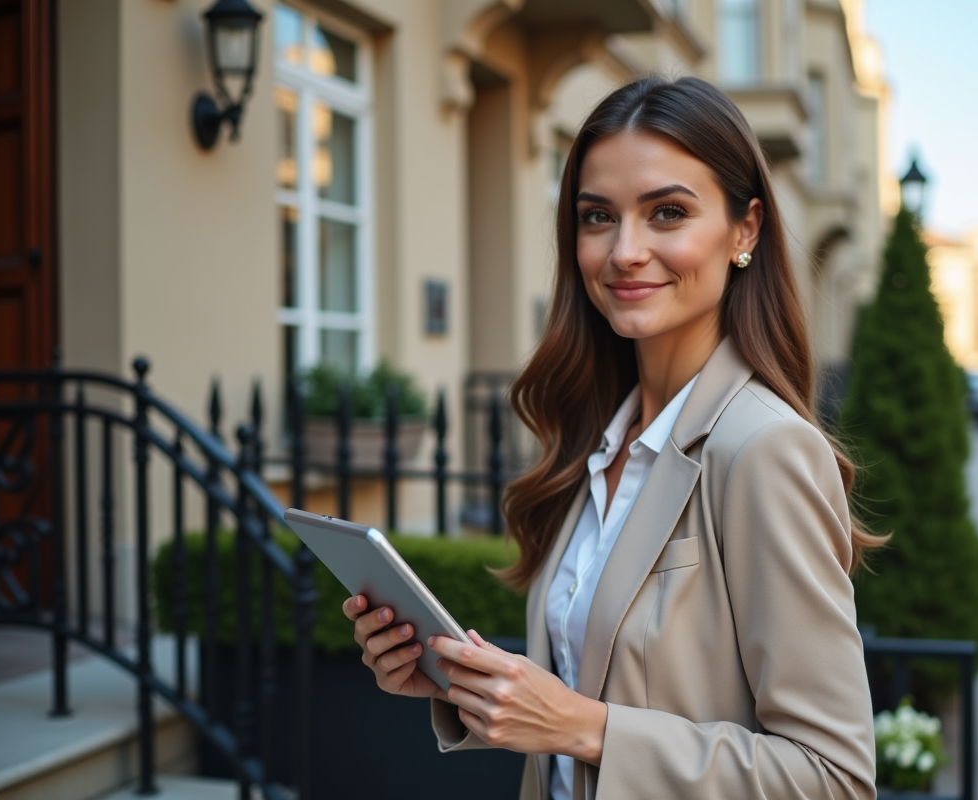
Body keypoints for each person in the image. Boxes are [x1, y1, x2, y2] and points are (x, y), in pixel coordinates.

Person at [342, 75, 883, 799]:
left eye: (666, 212)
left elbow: (833, 777)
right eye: (598, 216)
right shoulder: (597, 441)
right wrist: (456, 687)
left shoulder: (764, 451)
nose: (625, 250)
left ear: (744, 230)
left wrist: (582, 727)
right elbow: (585, 683)